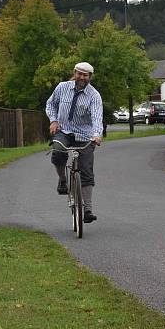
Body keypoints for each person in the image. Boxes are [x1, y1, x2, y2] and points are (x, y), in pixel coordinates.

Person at [45, 62, 103, 223]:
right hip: (63, 130)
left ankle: (87, 210)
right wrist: (53, 120)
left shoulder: (94, 95)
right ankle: (63, 179)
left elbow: (97, 117)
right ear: (74, 73)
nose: (81, 78)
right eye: (79, 74)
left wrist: (96, 135)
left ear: (90, 77)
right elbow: (50, 104)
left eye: (85, 75)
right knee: (58, 152)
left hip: (85, 135)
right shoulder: (62, 87)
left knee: (86, 170)